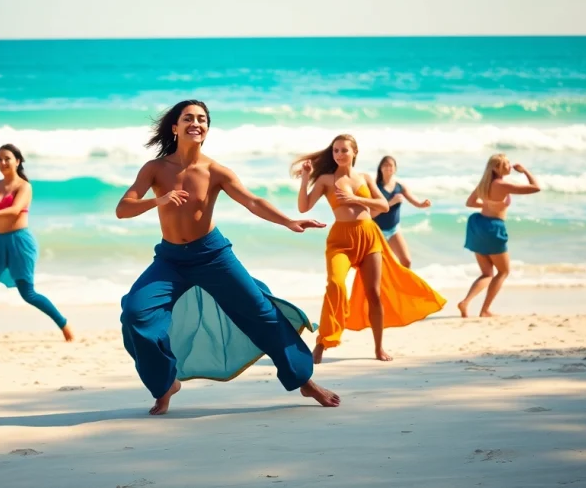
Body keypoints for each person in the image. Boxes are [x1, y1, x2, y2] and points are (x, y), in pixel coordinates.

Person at [115, 100, 341, 415]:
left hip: (212, 255)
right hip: (170, 260)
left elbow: (252, 201)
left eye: (202, 119)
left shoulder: (215, 170)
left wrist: (288, 221)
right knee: (135, 313)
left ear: (207, 129)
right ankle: (166, 383)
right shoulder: (155, 169)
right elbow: (123, 208)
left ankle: (304, 381)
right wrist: (159, 200)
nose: (196, 123)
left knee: (261, 314)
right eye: (188, 118)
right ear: (175, 127)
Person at [293, 135, 445, 365]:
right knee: (335, 284)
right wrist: (305, 178)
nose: (339, 154)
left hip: (369, 237)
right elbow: (303, 207)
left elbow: (383, 205)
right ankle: (323, 342)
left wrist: (355, 198)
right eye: (335, 150)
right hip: (340, 240)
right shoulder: (326, 179)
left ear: (354, 152)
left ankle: (378, 347)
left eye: (344, 150)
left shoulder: (363, 178)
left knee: (374, 294)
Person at [0, 144, 74, 343]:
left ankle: (63, 324)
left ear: (17, 161)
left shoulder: (24, 187)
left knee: (28, 294)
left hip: (20, 243)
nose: (2, 163)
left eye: (7, 158)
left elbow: (15, 209)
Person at [458, 153, 540, 318]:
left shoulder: (484, 183)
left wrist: (489, 204)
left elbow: (470, 202)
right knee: (503, 271)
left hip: (478, 224)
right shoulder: (502, 184)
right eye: (505, 164)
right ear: (496, 168)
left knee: (487, 273)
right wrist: (524, 171)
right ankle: (485, 310)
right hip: (493, 228)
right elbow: (535, 188)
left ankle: (465, 302)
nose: (509, 166)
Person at [372, 155, 431, 269]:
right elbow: (371, 214)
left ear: (395, 169)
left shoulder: (400, 187)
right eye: (385, 165)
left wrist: (423, 204)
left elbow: (416, 203)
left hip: (393, 230)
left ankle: (402, 286)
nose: (388, 168)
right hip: (377, 232)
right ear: (380, 168)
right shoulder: (375, 187)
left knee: (406, 261)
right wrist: (390, 203)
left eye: (391, 165)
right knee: (379, 266)